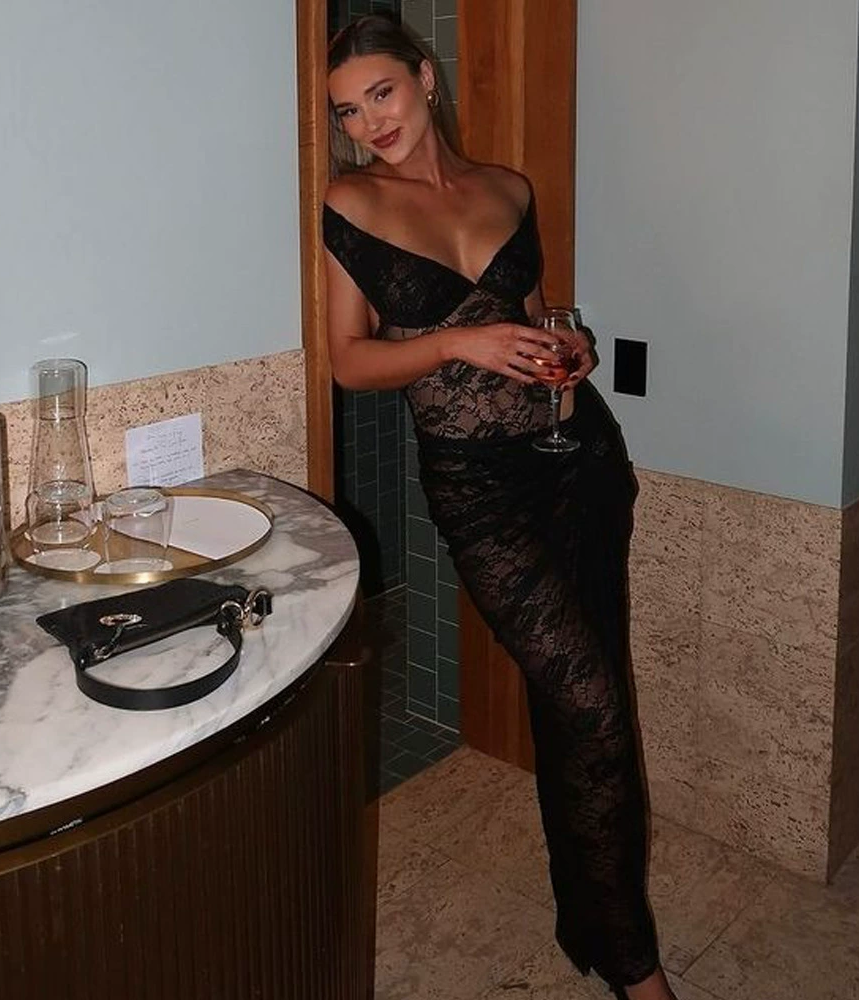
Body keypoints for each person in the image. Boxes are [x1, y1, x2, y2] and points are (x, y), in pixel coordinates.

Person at [323, 15, 678, 1000]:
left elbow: (533, 319)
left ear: (425, 79)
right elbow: (348, 361)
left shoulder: (510, 188)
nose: (369, 122)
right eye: (348, 111)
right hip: (481, 491)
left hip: (578, 457)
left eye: (382, 93)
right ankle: (637, 967)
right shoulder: (350, 201)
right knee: (591, 706)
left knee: (587, 702)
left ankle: (595, 922)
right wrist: (454, 343)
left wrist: (570, 350)